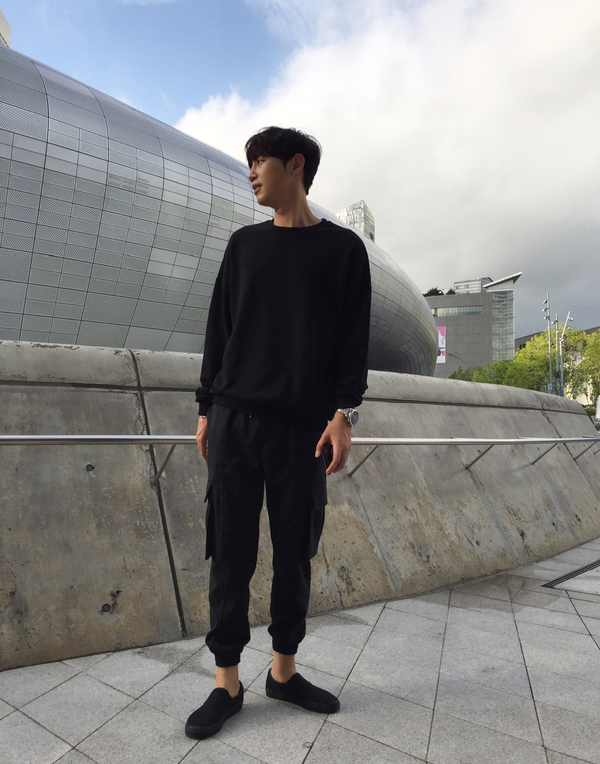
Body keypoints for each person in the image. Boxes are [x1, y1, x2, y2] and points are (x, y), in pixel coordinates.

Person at [185, 126, 372, 740]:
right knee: (229, 552)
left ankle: (283, 673)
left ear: (295, 165)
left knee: (295, 552)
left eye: (258, 161)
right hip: (234, 420)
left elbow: (353, 343)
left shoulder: (344, 251)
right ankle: (227, 682)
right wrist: (206, 407)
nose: (250, 173)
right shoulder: (243, 245)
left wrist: (344, 413)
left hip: (303, 430)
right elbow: (219, 329)